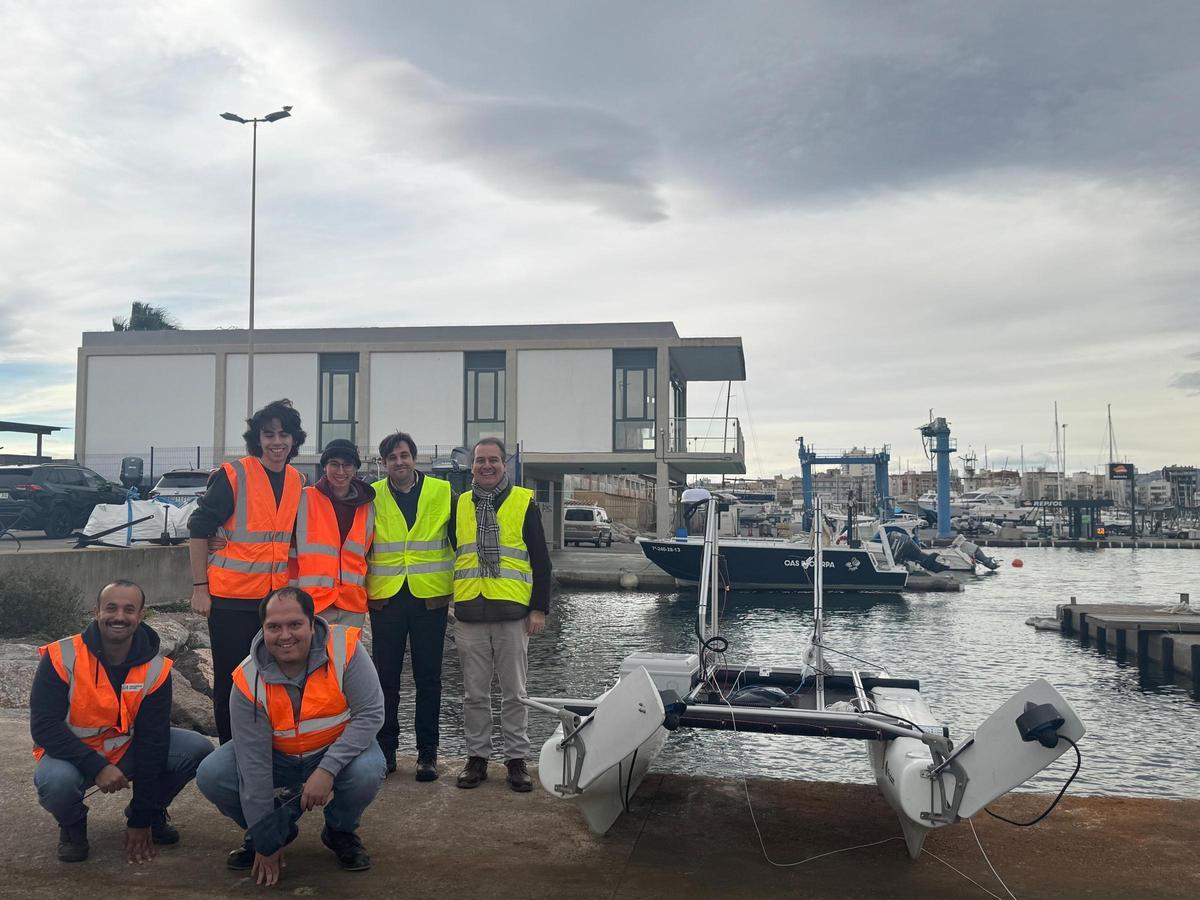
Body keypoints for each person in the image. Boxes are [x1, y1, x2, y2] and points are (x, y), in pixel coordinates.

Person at [195, 587, 386, 885]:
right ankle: (278, 826)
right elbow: (254, 765)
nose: (285, 635)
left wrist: (327, 770)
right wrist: (266, 838)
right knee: (212, 773)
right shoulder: (247, 680)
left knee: (368, 771)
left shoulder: (345, 648)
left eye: (295, 624)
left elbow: (370, 715)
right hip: (278, 757)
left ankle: (339, 831)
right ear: (263, 630)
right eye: (274, 627)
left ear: (312, 623)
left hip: (331, 749)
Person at [30, 580, 214, 863]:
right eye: (111, 608)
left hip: (127, 750)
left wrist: (140, 818)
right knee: (55, 783)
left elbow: (153, 741)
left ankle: (153, 812)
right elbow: (44, 726)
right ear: (96, 612)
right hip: (71, 755)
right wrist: (98, 766)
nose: (119, 617)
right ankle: (72, 825)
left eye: (129, 609)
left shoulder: (156, 668)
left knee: (197, 749)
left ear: (141, 616)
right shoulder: (62, 656)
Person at [189, 399, 305, 744]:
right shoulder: (234, 475)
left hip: (274, 602)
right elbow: (198, 528)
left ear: (294, 440)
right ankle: (231, 752)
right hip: (230, 599)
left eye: (283, 434)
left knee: (273, 677)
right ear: (257, 439)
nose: (276, 442)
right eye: (268, 434)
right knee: (232, 679)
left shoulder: (298, 480)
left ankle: (268, 749)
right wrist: (200, 587)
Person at [452, 437, 552, 792]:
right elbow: (455, 551)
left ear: (504, 465)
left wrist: (538, 608)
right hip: (469, 614)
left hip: (512, 613)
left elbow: (541, 561)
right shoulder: (461, 503)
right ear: (472, 466)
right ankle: (477, 758)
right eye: (480, 461)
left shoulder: (524, 502)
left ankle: (516, 760)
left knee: (515, 693)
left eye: (493, 460)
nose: (487, 466)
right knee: (474, 694)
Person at [366, 431, 455, 782]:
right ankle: (386, 750)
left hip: (429, 599)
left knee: (429, 679)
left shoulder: (443, 492)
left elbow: (463, 538)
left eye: (404, 455)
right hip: (386, 598)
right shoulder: (371, 496)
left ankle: (427, 754)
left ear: (414, 459)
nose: (398, 462)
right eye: (391, 457)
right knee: (384, 679)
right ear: (383, 463)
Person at [292, 439, 376, 632]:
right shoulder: (304, 499)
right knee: (314, 660)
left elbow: (367, 551)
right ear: (325, 467)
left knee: (345, 660)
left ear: (355, 469)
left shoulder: (367, 506)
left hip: (351, 604)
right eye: (334, 464)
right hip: (313, 602)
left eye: (347, 465)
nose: (340, 471)